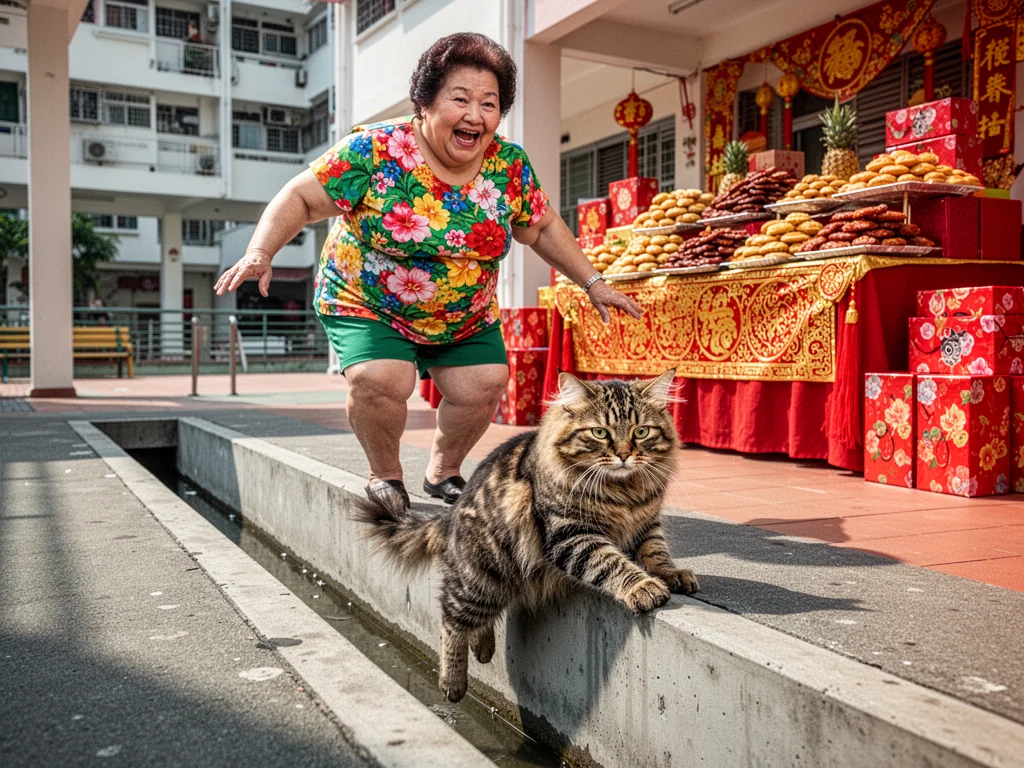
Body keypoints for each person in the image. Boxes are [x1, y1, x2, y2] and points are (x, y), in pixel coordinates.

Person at [215, 32, 641, 512]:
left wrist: (594, 282)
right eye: (460, 99)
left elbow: (541, 227)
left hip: (463, 312)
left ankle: (442, 471)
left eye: (489, 103)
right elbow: (300, 197)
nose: (475, 116)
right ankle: (385, 475)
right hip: (369, 299)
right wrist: (260, 251)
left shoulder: (508, 166)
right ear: (425, 102)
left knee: (483, 382)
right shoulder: (375, 150)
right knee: (382, 379)